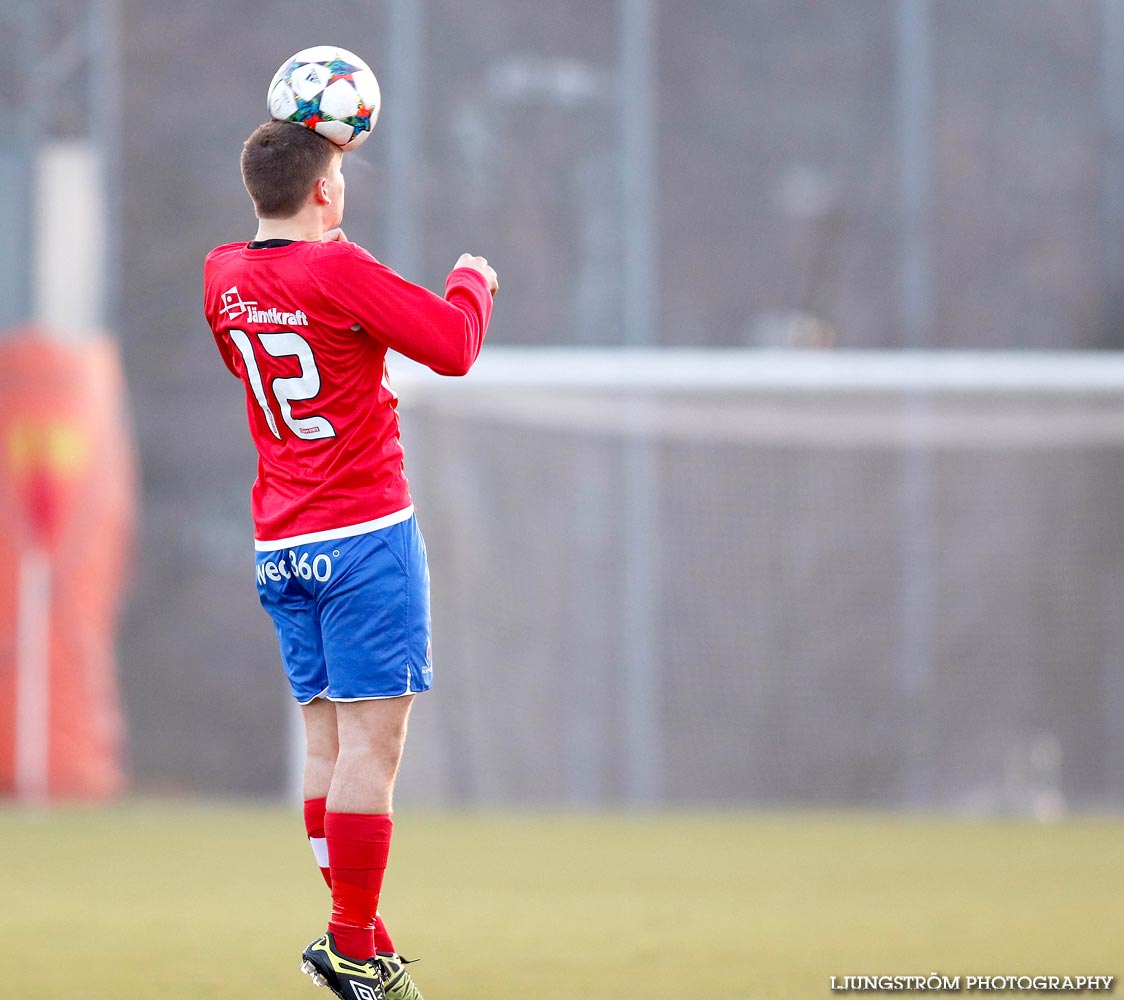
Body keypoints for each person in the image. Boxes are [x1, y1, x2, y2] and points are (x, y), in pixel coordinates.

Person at [203, 119, 497, 1000]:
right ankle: (350, 946)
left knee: (326, 744)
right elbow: (453, 347)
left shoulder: (221, 274)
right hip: (362, 534)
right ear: (327, 189)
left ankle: (361, 940)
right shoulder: (336, 266)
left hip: (281, 541)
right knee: (377, 744)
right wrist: (471, 281)